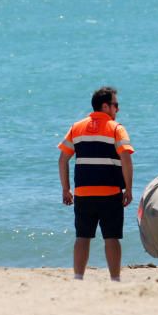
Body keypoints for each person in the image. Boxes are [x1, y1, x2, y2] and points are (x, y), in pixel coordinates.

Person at [58, 86, 134, 281]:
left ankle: (78, 278)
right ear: (105, 106)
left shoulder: (76, 127)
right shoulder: (116, 129)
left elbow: (62, 159)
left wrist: (66, 189)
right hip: (110, 192)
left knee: (82, 237)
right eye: (115, 105)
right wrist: (129, 189)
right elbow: (126, 159)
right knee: (112, 237)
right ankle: (115, 279)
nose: (118, 109)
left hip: (83, 193)